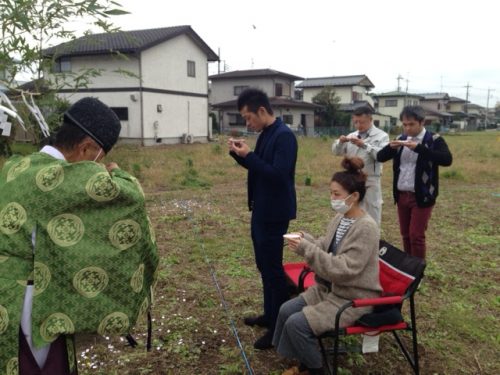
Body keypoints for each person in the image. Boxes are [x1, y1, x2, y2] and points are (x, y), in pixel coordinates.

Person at [0, 97, 159, 374]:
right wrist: (118, 174)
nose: (98, 166)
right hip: (27, 301)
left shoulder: (16, 166)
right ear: (86, 147)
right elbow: (131, 197)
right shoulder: (59, 178)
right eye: (99, 159)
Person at [274, 157, 381, 375]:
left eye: (336, 194)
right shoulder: (341, 218)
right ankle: (301, 358)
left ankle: (317, 369)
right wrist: (307, 239)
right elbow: (325, 244)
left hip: (352, 297)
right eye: (331, 193)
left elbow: (343, 270)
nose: (332, 198)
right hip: (329, 289)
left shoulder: (366, 228)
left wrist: (306, 248)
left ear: (354, 197)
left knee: (297, 323)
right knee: (286, 310)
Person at [228, 88, 298, 350]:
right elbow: (260, 168)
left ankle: (277, 328)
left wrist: (249, 156)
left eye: (248, 117)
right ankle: (269, 315)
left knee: (273, 269)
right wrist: (240, 155)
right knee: (264, 266)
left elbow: (278, 176)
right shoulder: (267, 134)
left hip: (275, 213)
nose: (247, 123)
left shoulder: (284, 137)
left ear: (261, 111)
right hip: (261, 209)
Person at [377, 105, 453, 259]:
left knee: (416, 235)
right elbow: (380, 157)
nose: (407, 128)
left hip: (423, 195)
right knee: (405, 234)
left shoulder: (434, 139)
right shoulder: (401, 139)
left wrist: (420, 148)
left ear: (422, 122)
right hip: (402, 194)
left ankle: (418, 271)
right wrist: (390, 148)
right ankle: (408, 269)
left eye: (411, 124)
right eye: (404, 124)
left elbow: (447, 160)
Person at [332, 106, 389, 226]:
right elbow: (337, 152)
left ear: (370, 119)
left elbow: (381, 155)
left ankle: (372, 241)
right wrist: (340, 142)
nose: (358, 125)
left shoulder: (382, 136)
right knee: (351, 211)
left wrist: (364, 145)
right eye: (355, 122)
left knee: (372, 213)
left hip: (370, 180)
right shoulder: (352, 135)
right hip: (352, 180)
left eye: (362, 122)